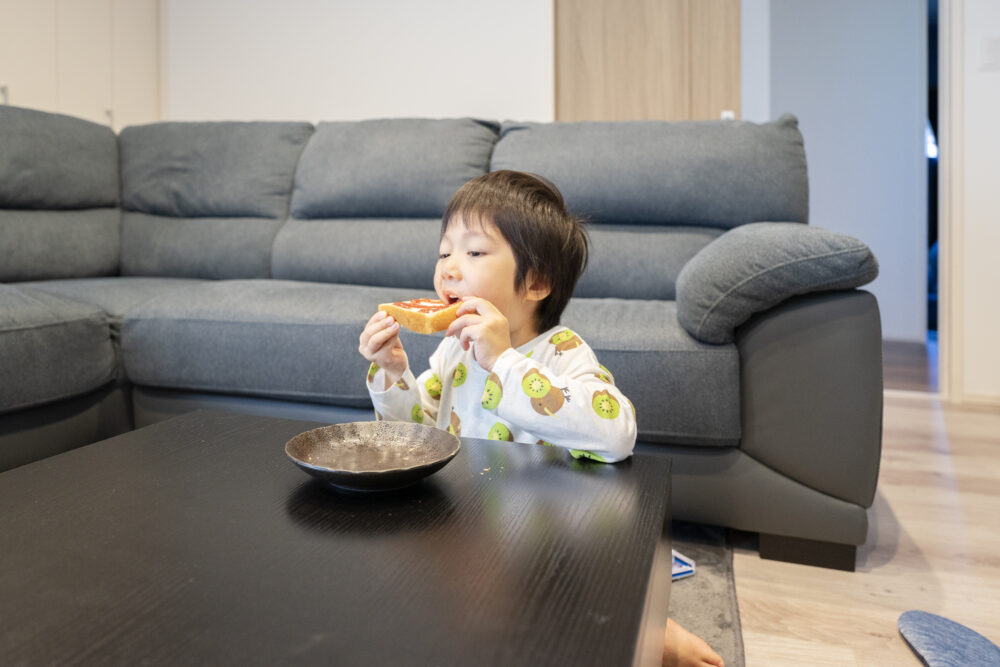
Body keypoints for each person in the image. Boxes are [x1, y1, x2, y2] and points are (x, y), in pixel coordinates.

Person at [358, 170, 724, 666]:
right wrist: (393, 372)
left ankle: (651, 624)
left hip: (549, 539)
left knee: (579, 615)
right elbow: (417, 436)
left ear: (536, 282)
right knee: (412, 587)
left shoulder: (562, 351)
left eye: (474, 252)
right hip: (465, 530)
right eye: (444, 253)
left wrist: (504, 361)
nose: (449, 269)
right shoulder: (453, 351)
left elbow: (617, 433)